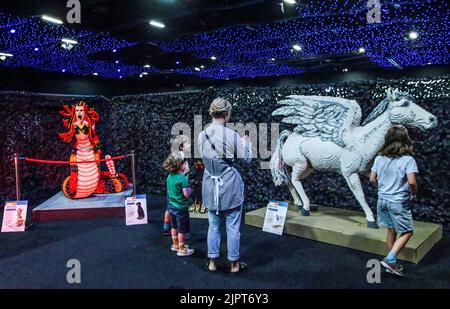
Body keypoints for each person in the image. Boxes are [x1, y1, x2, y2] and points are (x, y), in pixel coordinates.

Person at [198, 97, 252, 273]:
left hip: (209, 185)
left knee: (213, 225)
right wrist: (247, 145)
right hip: (229, 185)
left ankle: (212, 262)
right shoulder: (232, 135)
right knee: (233, 226)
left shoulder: (201, 134)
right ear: (227, 114)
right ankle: (234, 265)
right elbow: (246, 159)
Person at [370, 126, 418, 277]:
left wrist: (381, 189)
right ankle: (390, 259)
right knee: (407, 231)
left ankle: (391, 263)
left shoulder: (379, 158)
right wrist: (414, 193)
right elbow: (411, 182)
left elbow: (372, 179)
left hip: (382, 199)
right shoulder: (408, 160)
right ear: (405, 141)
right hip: (398, 202)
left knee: (391, 229)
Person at [163, 151, 195, 257]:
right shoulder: (182, 178)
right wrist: (190, 191)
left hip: (171, 206)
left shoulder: (169, 177)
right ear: (180, 165)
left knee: (174, 227)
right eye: (185, 163)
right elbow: (186, 194)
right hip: (181, 208)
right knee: (181, 230)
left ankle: (175, 244)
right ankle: (182, 249)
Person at [161, 135, 192, 239]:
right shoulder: (182, 156)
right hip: (180, 187)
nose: (190, 144)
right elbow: (186, 170)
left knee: (169, 207)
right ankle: (184, 232)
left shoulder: (174, 155)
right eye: (187, 143)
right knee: (182, 211)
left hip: (172, 186)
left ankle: (166, 227)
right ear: (181, 146)